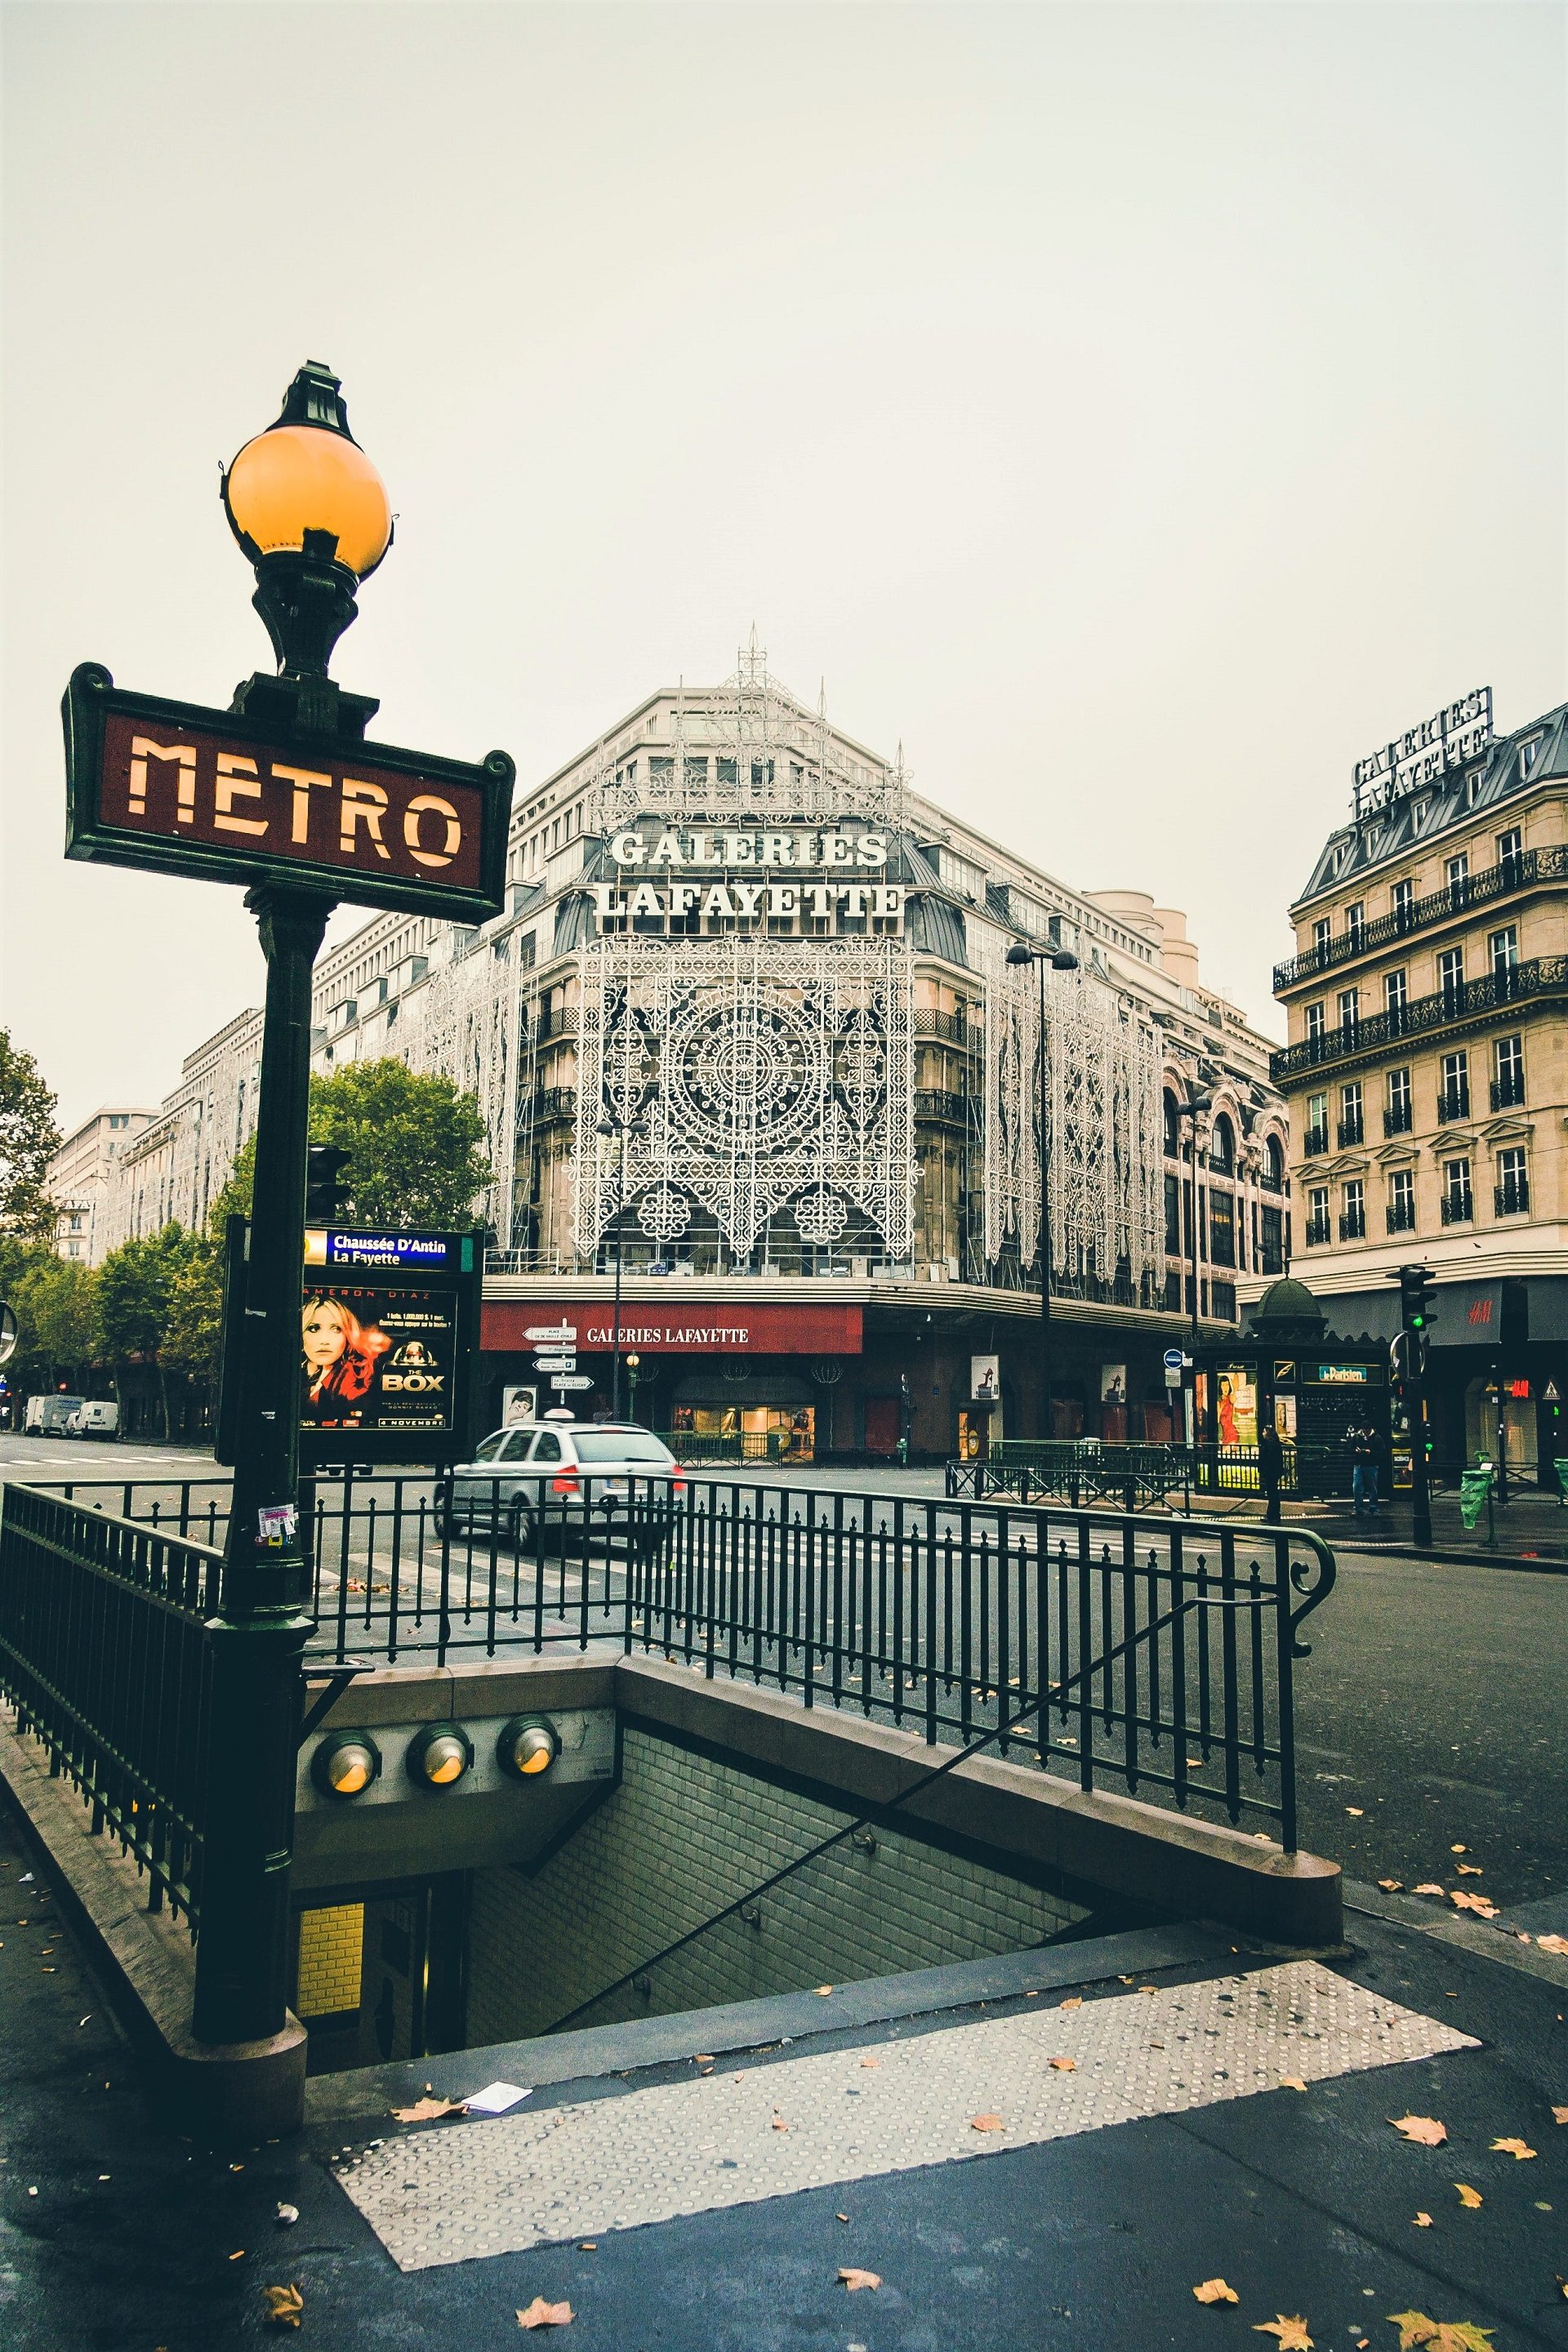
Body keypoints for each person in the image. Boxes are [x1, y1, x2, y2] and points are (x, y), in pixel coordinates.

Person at [301, 1294, 389, 1422]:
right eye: (314, 1329)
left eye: (336, 1329)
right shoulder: (298, 1375)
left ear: (348, 1335)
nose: (325, 1341)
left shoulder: (356, 1378)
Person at [1349, 1419, 1379, 1517]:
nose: (1366, 1433)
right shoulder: (1356, 1437)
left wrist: (1371, 1452)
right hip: (1359, 1465)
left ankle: (1374, 1508)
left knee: (1372, 1488)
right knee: (1357, 1487)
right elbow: (1350, 1447)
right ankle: (1358, 1509)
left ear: (1371, 1429)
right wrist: (1355, 1450)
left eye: (1367, 1431)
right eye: (1364, 1431)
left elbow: (1382, 1451)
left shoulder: (1377, 1438)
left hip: (1372, 1465)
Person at [1258, 1416, 1284, 1526]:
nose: (1262, 1433)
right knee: (1274, 1493)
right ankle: (1274, 1515)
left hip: (1271, 1473)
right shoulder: (1274, 1443)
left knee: (1272, 1494)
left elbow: (1267, 1460)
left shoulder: (1269, 1445)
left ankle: (1272, 1515)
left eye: (1264, 1432)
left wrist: (1263, 1472)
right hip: (1275, 1472)